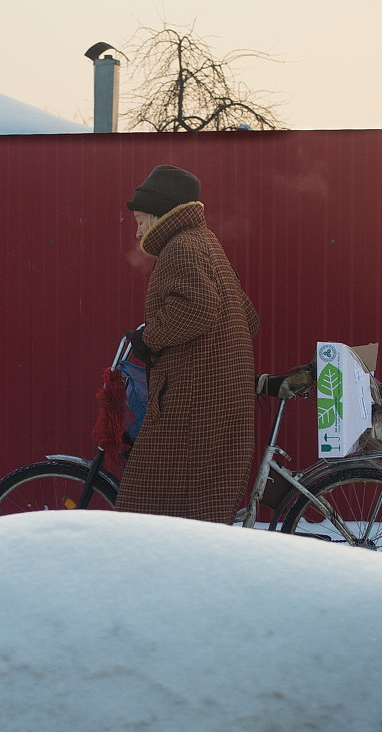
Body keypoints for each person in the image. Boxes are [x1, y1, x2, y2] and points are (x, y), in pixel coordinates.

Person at [116, 164, 260, 524]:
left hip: (195, 401)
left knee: (149, 505)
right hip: (219, 393)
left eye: (139, 220)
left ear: (159, 214)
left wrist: (149, 337)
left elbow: (197, 309)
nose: (136, 232)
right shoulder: (206, 242)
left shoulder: (179, 248)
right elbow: (248, 317)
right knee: (202, 505)